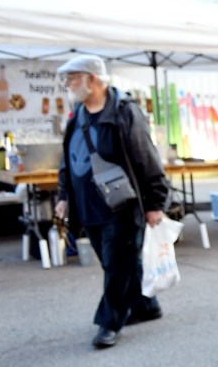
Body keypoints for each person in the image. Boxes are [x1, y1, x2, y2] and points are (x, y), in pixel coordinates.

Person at [54, 54, 169, 349]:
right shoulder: (78, 114)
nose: (66, 84)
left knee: (118, 266)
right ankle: (146, 305)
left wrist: (156, 204)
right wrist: (64, 196)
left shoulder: (123, 111)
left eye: (71, 78)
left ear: (92, 80)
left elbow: (146, 158)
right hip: (87, 205)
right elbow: (68, 158)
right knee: (115, 262)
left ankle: (109, 322)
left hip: (121, 206)